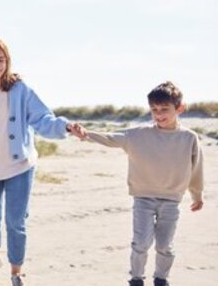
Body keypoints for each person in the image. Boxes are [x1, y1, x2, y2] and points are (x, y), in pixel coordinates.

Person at [0, 37, 85, 285]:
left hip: (20, 167)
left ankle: (16, 273)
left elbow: (43, 119)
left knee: (16, 222)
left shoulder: (20, 90)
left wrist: (66, 126)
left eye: (1, 60)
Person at [82, 81, 205, 286]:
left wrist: (197, 195)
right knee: (141, 243)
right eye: (154, 110)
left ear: (179, 108)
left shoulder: (188, 138)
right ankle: (136, 279)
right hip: (143, 198)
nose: (159, 114)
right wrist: (85, 134)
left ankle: (161, 279)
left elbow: (196, 168)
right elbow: (111, 138)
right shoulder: (138, 135)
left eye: (164, 109)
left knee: (165, 245)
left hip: (171, 200)